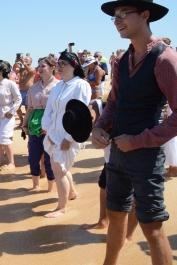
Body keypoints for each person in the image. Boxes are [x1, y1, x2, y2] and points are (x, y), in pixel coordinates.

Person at [93, 1, 175, 264]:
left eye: (122, 14)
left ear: (145, 15)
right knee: (115, 216)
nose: (117, 20)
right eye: (114, 17)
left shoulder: (165, 59)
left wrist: (139, 141)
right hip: (117, 152)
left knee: (151, 226)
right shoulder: (121, 60)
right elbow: (114, 103)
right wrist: (98, 127)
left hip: (146, 156)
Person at [42, 50, 91, 218]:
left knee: (58, 169)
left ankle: (62, 207)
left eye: (63, 64)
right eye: (58, 64)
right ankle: (72, 192)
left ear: (74, 66)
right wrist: (47, 130)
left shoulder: (81, 85)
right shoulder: (58, 85)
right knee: (59, 166)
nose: (59, 67)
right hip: (53, 133)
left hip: (68, 134)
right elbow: (50, 110)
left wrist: (69, 138)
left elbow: (81, 114)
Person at [22, 55, 58, 192]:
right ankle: (36, 185)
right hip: (34, 123)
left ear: (52, 68)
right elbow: (30, 108)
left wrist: (50, 127)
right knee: (33, 156)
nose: (40, 68)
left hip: (51, 123)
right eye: (39, 66)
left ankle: (51, 188)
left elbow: (60, 109)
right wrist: (24, 125)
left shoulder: (58, 86)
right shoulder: (34, 88)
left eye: (43, 66)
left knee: (49, 158)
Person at [0, 61, 22, 171]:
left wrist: (12, 111)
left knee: (5, 137)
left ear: (2, 71)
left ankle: (11, 162)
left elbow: (18, 98)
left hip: (7, 114)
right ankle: (0, 162)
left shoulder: (10, 83)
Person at [13, 55, 35, 127]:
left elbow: (29, 70)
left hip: (28, 91)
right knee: (17, 107)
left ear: (30, 62)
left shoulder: (32, 69)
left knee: (27, 107)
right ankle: (21, 121)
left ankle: (27, 122)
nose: (24, 60)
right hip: (21, 91)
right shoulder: (22, 69)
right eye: (24, 59)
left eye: (26, 60)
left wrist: (23, 62)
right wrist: (16, 62)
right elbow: (14, 69)